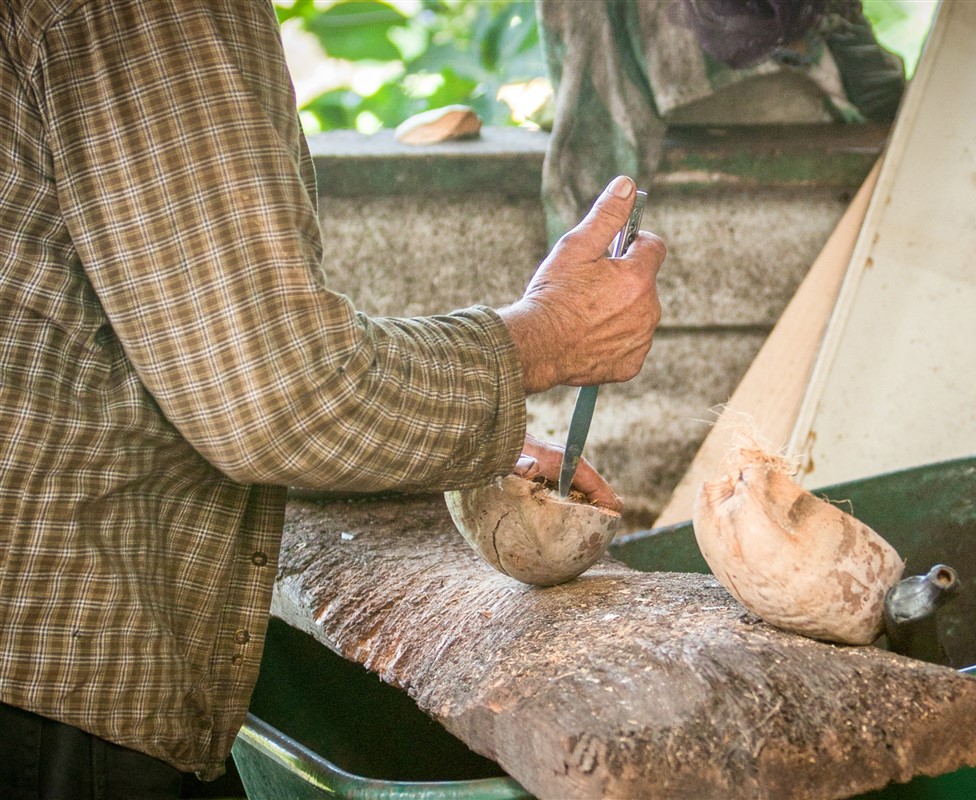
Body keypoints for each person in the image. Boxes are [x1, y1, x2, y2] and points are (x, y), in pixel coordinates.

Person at [0, 0, 665, 796]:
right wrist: (544, 335)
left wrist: (450, 448)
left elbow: (181, 364)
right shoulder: (153, 13)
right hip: (50, 704)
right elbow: (277, 398)